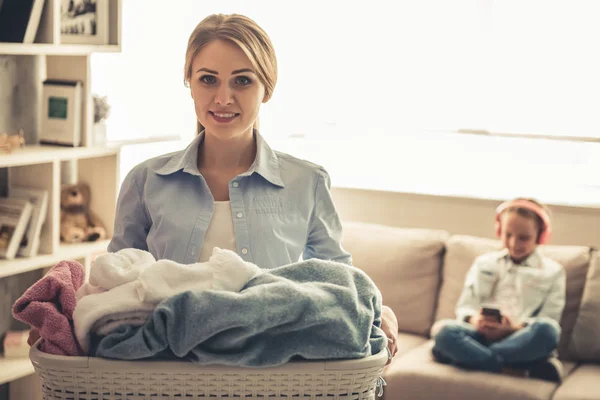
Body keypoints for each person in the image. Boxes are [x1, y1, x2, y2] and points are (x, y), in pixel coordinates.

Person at [107, 14, 399, 362]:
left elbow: (338, 286)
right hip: (168, 373)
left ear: (267, 88)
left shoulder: (308, 182)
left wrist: (380, 311)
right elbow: (114, 284)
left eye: (242, 81)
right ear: (190, 83)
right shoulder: (145, 181)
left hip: (275, 379)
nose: (223, 97)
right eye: (208, 79)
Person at [432, 198, 566, 382]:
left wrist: (512, 328)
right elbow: (465, 307)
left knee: (549, 330)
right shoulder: (483, 263)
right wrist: (476, 320)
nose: (514, 243)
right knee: (444, 331)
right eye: (507, 234)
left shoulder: (553, 272)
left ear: (540, 236)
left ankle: (464, 357)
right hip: (478, 335)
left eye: (523, 238)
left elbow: (550, 318)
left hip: (519, 338)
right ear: (499, 231)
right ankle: (515, 368)